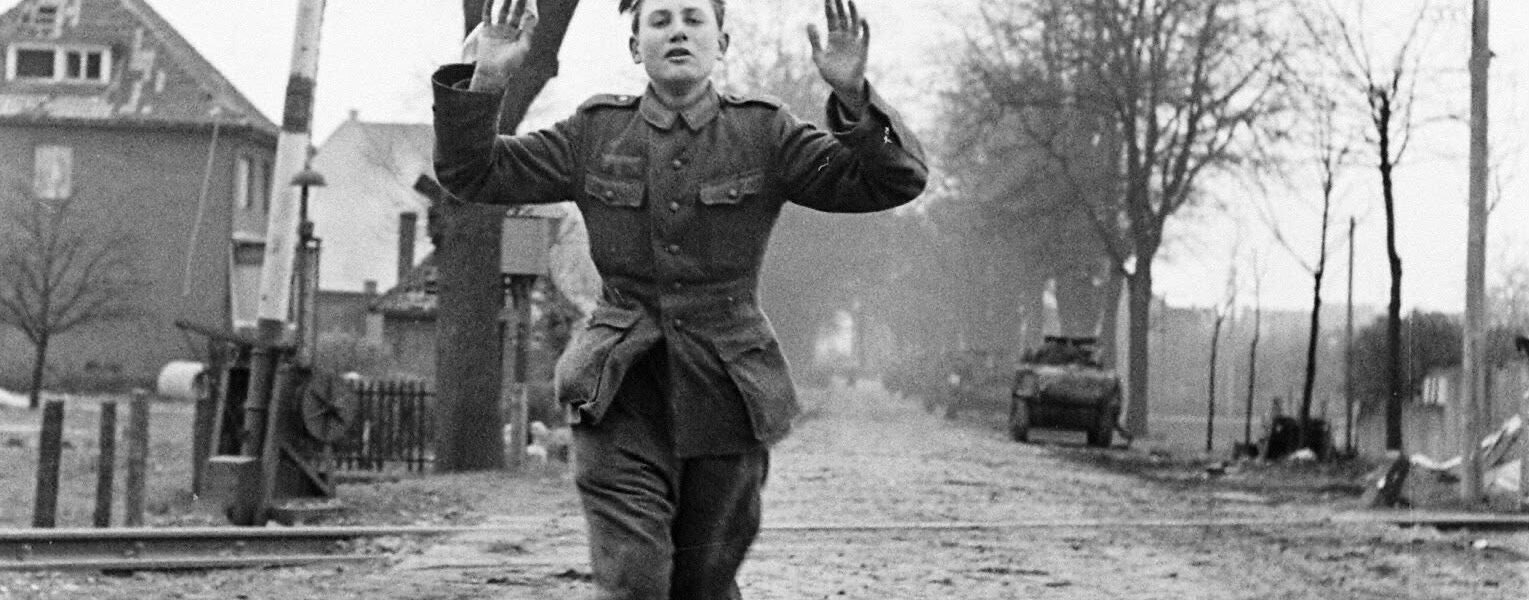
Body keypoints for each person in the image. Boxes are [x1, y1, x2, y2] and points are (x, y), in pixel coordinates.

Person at [431, 0, 927, 596]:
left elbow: (895, 179)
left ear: (723, 43)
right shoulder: (593, 133)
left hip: (729, 396)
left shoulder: (764, 133)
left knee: (704, 585)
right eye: (660, 20)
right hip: (618, 393)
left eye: (694, 19)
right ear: (635, 47)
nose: (678, 33)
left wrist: (854, 99)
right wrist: (487, 81)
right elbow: (473, 172)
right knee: (634, 579)